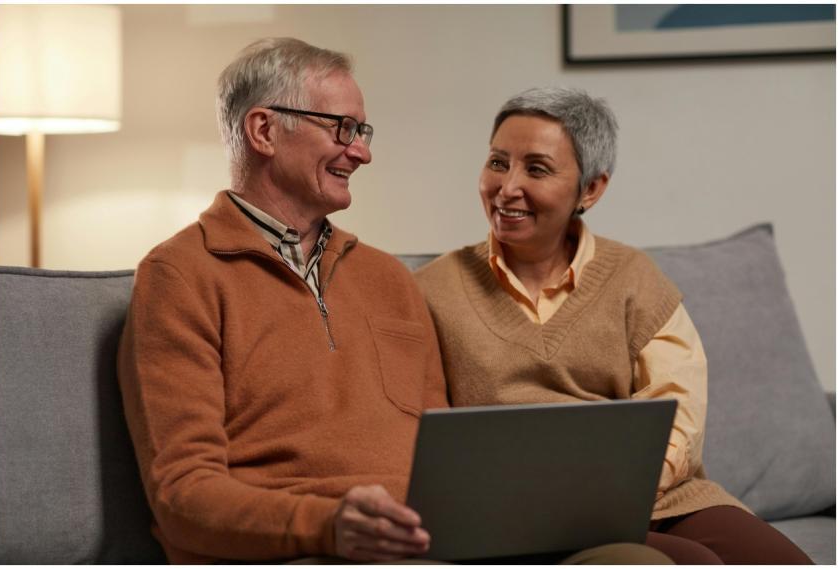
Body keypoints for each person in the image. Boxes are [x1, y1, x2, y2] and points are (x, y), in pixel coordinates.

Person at [117, 39, 672, 564]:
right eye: (343, 129)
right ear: (263, 130)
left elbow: (445, 454)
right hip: (304, 548)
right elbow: (182, 494)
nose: (362, 152)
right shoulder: (180, 276)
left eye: (362, 131)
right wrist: (329, 523)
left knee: (638, 560)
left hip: (439, 538)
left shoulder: (388, 278)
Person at [414, 86, 814, 565]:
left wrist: (625, 488)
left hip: (661, 497)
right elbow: (420, 432)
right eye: (498, 162)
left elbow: (678, 409)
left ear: (591, 189)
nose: (507, 186)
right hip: (522, 515)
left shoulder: (634, 277)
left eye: (536, 168)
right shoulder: (431, 291)